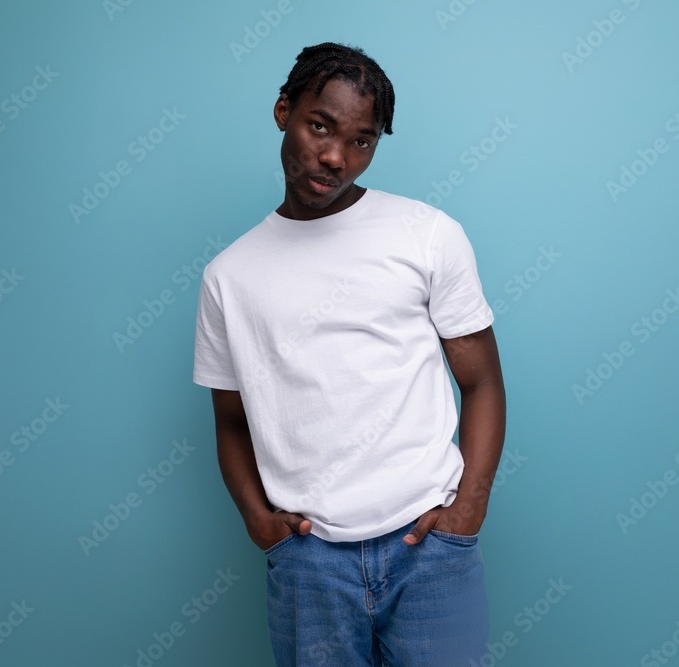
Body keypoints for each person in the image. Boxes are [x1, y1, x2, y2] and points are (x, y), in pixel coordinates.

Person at [193, 42, 506, 666]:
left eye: (362, 141)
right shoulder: (229, 276)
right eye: (320, 127)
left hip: (428, 547)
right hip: (309, 564)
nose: (336, 156)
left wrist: (467, 509)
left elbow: (483, 383)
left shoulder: (426, 235)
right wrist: (262, 525)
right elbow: (230, 422)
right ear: (283, 111)